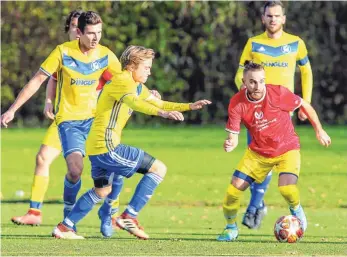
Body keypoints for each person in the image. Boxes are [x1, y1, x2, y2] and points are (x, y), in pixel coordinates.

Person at [51, 45, 211, 239]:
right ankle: (129, 216)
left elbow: (158, 102)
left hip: (96, 147)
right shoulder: (122, 81)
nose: (150, 71)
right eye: (146, 67)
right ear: (132, 66)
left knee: (102, 191)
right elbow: (135, 103)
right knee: (158, 169)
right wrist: (163, 114)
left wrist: (189, 106)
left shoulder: (135, 85)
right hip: (107, 145)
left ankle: (65, 227)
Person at [1, 11, 123, 230]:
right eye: (89, 32)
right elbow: (40, 80)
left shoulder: (105, 55)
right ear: (76, 31)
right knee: (65, 166)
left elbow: (124, 83)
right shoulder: (62, 52)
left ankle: (110, 212)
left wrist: (148, 93)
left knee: (111, 168)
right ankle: (55, 212)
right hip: (67, 121)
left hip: (95, 122)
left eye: (99, 33)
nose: (95, 37)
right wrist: (13, 109)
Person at [217, 61, 331, 242]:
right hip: (258, 153)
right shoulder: (237, 102)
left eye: (261, 81)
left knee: (287, 189)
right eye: (252, 82)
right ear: (244, 82)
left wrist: (319, 130)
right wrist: (230, 143)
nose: (258, 86)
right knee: (232, 192)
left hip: (287, 148)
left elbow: (304, 105)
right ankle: (231, 228)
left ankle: (296, 209)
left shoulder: (278, 93)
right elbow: (233, 136)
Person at [234, 1, 313, 229]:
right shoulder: (254, 43)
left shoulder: (296, 43)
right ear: (263, 18)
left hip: (282, 112)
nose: (273, 19)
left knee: (267, 159)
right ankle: (257, 205)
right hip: (256, 110)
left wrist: (305, 103)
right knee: (258, 159)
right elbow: (240, 73)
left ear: (284, 18)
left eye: (277, 16)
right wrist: (242, 89)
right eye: (269, 15)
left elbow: (306, 71)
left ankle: (254, 207)